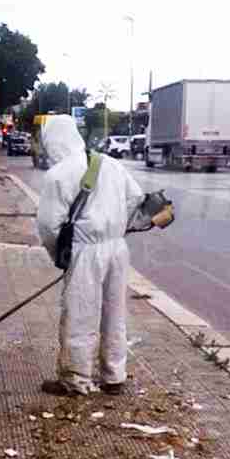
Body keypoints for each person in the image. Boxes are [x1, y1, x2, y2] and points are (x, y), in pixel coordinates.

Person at [36, 115, 145, 396]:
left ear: (52, 141)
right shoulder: (111, 163)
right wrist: (118, 225)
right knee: (114, 311)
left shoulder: (59, 174)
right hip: (117, 249)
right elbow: (136, 198)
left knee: (80, 313)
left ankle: (76, 379)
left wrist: (60, 256)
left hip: (85, 251)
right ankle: (114, 376)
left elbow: (49, 226)